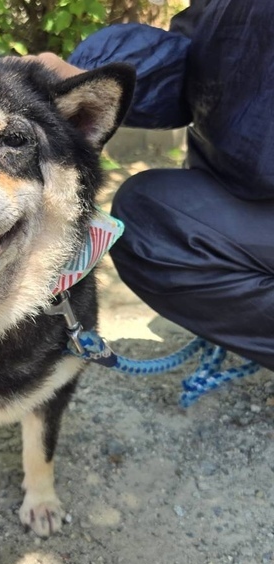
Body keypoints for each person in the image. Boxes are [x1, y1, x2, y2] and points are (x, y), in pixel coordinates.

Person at [34, 0, 274, 371]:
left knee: (156, 225)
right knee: (153, 218)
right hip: (244, 188)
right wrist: (89, 75)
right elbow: (205, 60)